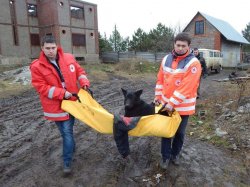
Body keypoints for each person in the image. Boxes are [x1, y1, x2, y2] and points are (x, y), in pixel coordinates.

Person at [30, 35, 90, 174]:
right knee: (65, 134)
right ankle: (71, 147)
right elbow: (41, 87)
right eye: (47, 48)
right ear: (42, 48)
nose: (51, 51)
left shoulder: (69, 58)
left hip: (72, 103)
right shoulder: (36, 67)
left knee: (67, 133)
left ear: (57, 47)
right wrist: (62, 93)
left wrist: (84, 83)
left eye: (53, 48)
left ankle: (67, 163)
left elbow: (80, 72)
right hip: (55, 107)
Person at [154, 32, 201, 169]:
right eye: (178, 45)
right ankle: (165, 157)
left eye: (183, 46)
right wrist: (157, 97)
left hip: (183, 107)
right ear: (174, 44)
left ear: (188, 46)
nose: (180, 48)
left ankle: (175, 155)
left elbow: (186, 87)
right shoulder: (166, 59)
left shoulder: (194, 63)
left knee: (179, 133)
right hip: (166, 104)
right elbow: (160, 80)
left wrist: (171, 103)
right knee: (166, 132)